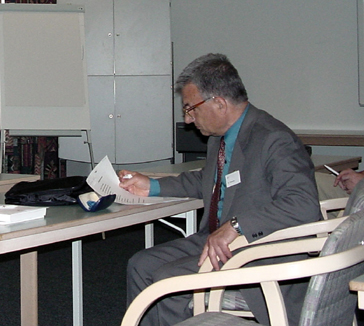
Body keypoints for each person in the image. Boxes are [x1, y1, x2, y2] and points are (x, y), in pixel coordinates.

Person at [119, 53, 321, 326]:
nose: (188, 119)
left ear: (219, 103)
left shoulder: (273, 138)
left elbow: (303, 204)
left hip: (257, 251)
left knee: (169, 282)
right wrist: (152, 186)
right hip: (218, 241)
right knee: (141, 264)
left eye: (191, 108)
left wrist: (236, 226)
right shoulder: (222, 137)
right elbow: (209, 179)